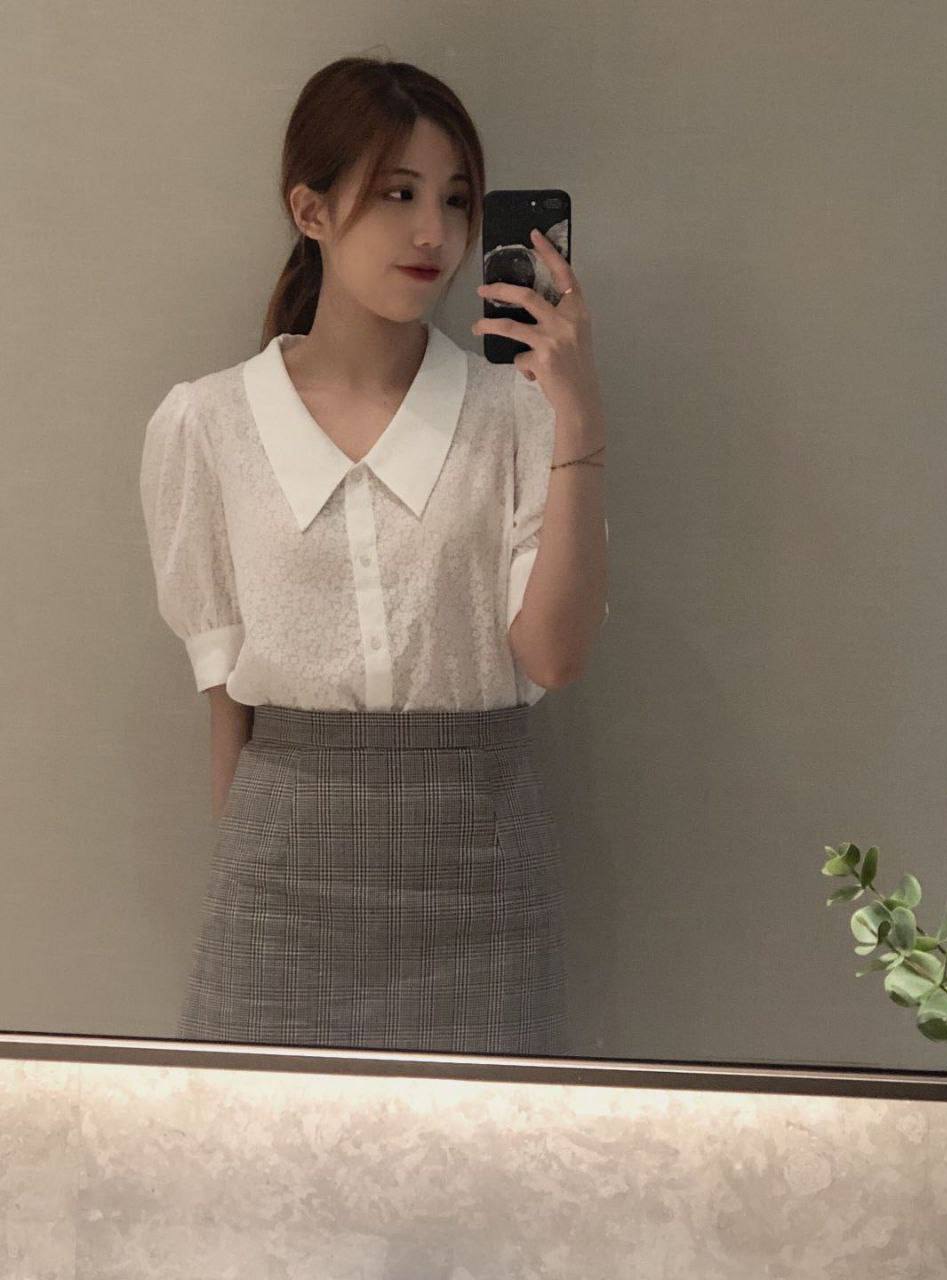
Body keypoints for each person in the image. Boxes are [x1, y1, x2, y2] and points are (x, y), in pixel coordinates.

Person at [138, 56, 608, 1055]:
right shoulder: (209, 424)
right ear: (309, 209)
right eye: (398, 194)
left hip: (482, 873)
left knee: (487, 1150)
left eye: (455, 198)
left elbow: (555, 657)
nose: (434, 232)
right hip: (279, 876)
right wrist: (245, 873)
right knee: (253, 1145)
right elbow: (226, 703)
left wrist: (578, 420)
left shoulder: (517, 414)